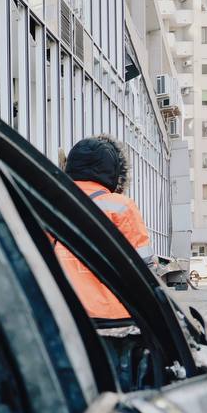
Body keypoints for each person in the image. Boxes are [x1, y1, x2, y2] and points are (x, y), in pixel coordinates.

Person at [53, 136, 151, 320]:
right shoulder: (122, 206)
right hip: (115, 317)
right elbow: (143, 266)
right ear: (114, 171)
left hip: (65, 314)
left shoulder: (51, 201)